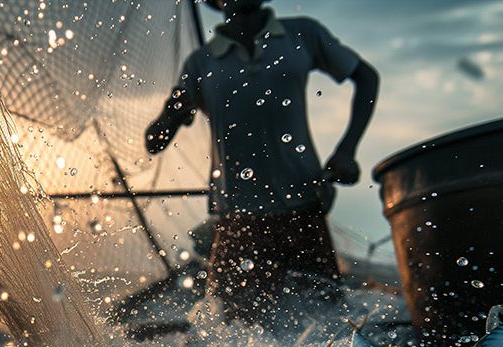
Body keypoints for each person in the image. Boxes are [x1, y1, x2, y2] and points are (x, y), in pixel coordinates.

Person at [146, 0, 379, 327]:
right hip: (238, 221)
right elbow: (154, 142)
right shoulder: (201, 62)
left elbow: (366, 77)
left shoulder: (302, 34)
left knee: (325, 328)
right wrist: (172, 114)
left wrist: (347, 150)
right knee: (233, 337)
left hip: (303, 210)